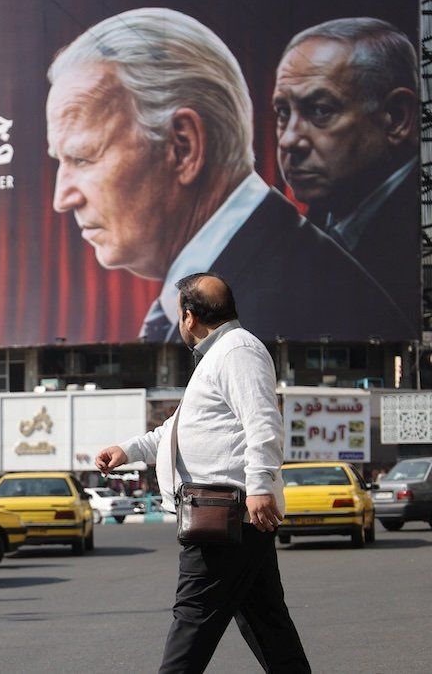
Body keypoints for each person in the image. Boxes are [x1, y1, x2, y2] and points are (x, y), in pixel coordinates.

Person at [46, 8, 412, 344]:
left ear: (183, 147)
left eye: (81, 157)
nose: (62, 198)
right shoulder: (251, 273)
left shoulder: (292, 299)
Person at [94, 273, 310, 673]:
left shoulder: (236, 352)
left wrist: (260, 485)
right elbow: (175, 433)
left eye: (179, 313)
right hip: (235, 519)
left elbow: (264, 423)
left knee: (191, 622)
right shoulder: (219, 356)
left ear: (189, 317)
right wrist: (127, 450)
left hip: (224, 517)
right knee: (268, 626)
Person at [274, 18, 419, 306]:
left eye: (320, 110)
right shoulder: (311, 228)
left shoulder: (413, 239)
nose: (288, 140)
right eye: (282, 113)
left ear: (396, 118)